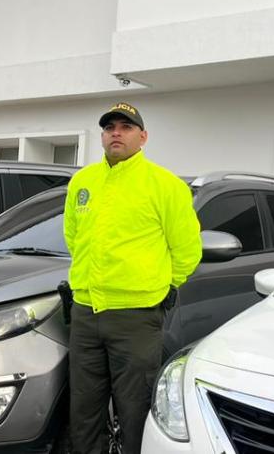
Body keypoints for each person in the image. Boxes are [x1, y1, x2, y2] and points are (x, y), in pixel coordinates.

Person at [63, 102, 202, 454]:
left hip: (136, 317)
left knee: (135, 409)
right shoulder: (83, 182)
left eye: (125, 127)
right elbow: (73, 236)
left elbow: (187, 248)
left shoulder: (165, 185)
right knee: (83, 410)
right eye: (109, 127)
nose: (116, 133)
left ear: (143, 137)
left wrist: (167, 286)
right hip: (85, 311)